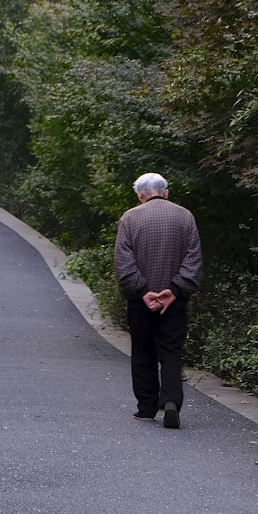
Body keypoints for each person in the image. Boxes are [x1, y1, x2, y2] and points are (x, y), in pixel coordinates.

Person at [114, 172, 202, 428]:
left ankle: (146, 407)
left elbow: (124, 263)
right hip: (174, 301)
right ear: (166, 192)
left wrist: (143, 291)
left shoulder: (130, 218)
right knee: (171, 351)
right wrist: (174, 290)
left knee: (143, 350)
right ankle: (172, 401)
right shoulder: (185, 217)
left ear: (140, 195)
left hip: (141, 300)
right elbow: (193, 259)